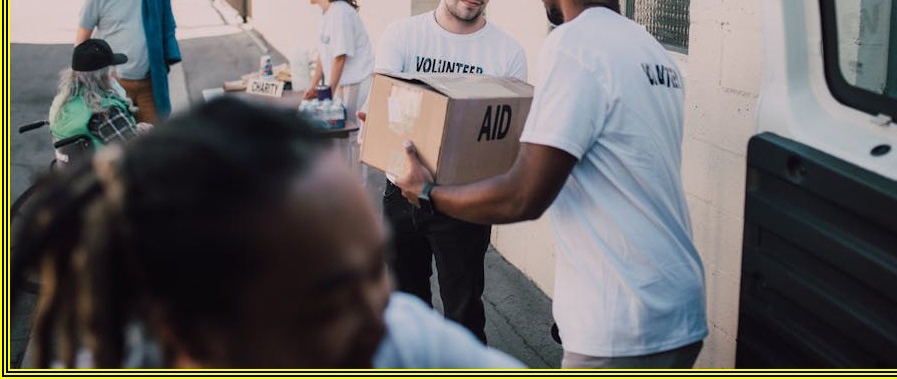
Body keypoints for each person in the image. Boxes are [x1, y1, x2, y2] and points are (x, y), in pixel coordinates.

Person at [394, 0, 708, 368]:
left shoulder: (574, 44)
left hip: (621, 317)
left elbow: (524, 195)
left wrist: (428, 193)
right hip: (679, 302)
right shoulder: (652, 51)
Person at [11, 96, 524, 369]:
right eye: (330, 301)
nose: (381, 311)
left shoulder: (395, 342)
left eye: (376, 269)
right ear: (188, 328)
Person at [375, 0, 527, 343]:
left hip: (466, 200)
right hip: (401, 190)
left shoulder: (507, 53)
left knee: (464, 311)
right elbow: (386, 110)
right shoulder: (402, 36)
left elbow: (503, 138)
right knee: (405, 307)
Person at [76, 0, 181, 124]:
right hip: (114, 84)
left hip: (150, 80)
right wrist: (89, 79)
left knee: (156, 133)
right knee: (120, 135)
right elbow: (82, 42)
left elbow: (167, 23)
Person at [301, 0, 375, 182]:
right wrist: (314, 86)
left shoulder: (340, 13)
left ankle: (357, 184)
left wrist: (328, 95)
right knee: (339, 132)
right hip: (342, 81)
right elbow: (324, 54)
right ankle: (342, 180)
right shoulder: (326, 12)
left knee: (351, 133)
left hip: (356, 80)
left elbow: (340, 56)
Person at [49, 38, 151, 146]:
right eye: (112, 69)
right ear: (104, 76)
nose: (115, 74)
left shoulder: (63, 103)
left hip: (75, 157)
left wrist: (135, 130)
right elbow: (135, 148)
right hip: (105, 157)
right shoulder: (105, 112)